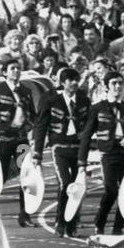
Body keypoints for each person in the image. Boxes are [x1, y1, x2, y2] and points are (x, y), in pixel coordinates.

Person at [79, 72, 124, 236]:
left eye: (120, 83)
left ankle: (118, 227)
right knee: (111, 190)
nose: (118, 86)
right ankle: (100, 222)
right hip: (108, 153)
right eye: (114, 83)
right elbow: (86, 135)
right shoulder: (97, 108)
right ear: (106, 87)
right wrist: (81, 162)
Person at [33, 67, 89, 236]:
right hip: (60, 147)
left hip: (78, 148)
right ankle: (60, 221)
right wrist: (37, 152)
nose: (73, 83)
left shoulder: (84, 100)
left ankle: (72, 223)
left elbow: (89, 126)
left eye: (75, 80)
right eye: (70, 80)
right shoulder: (50, 99)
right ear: (62, 83)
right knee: (65, 183)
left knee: (77, 187)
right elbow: (41, 125)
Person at [0, 58, 34, 225]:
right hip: (4, 139)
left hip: (21, 141)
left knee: (26, 175)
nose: (16, 71)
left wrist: (31, 131)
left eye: (18, 68)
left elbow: (32, 115)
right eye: (12, 68)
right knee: (0, 175)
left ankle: (24, 214)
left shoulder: (26, 91)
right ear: (4, 72)